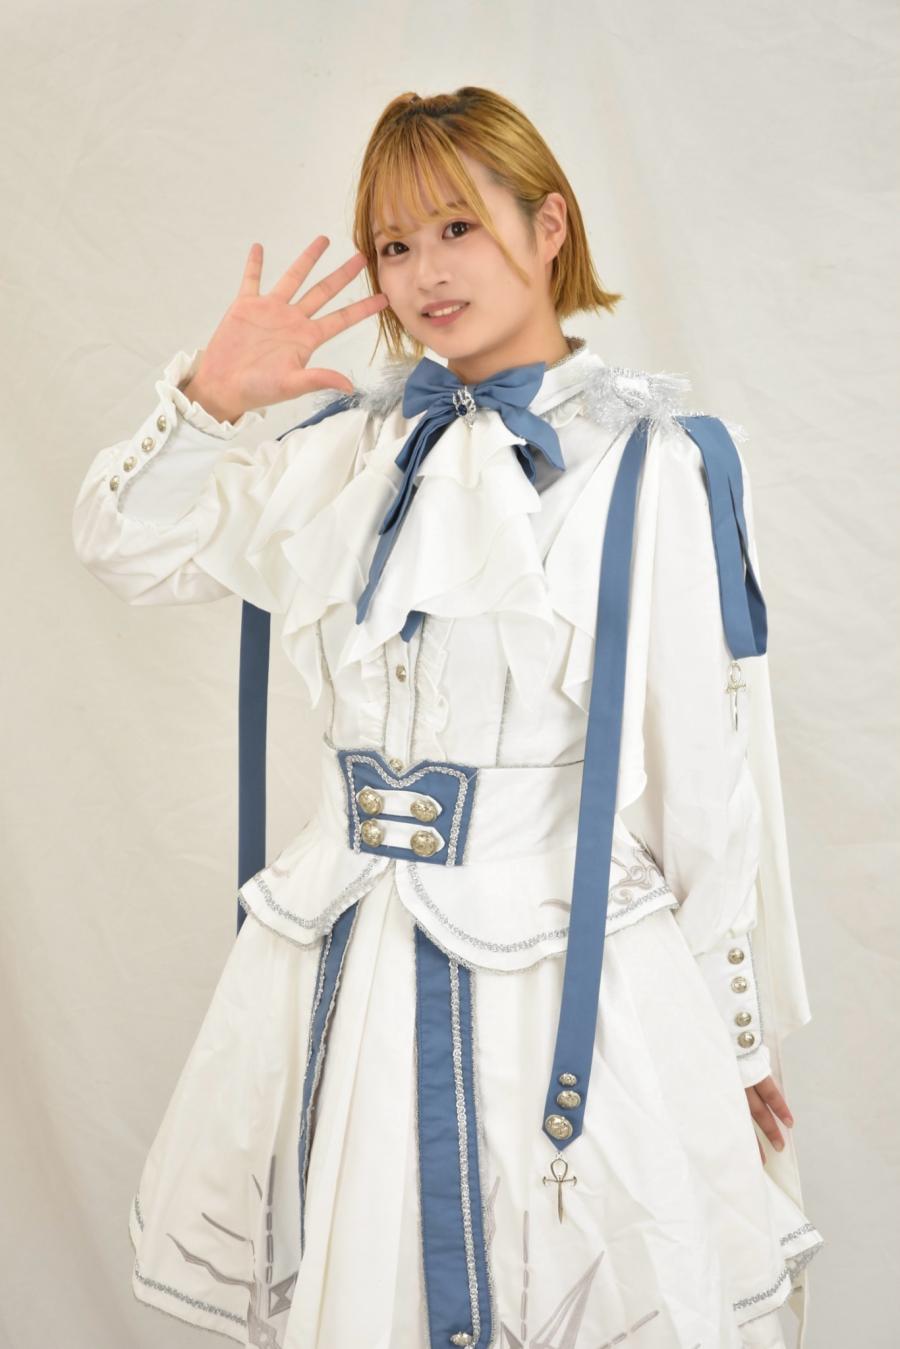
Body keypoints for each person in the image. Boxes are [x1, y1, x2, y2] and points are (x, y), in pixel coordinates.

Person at [72, 87, 823, 1349]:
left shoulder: (652, 465)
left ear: (548, 226)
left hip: (568, 987)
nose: (425, 272)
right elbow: (123, 546)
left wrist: (728, 1035)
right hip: (351, 976)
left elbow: (703, 779)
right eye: (395, 243)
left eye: (459, 227)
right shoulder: (337, 455)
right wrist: (210, 398)